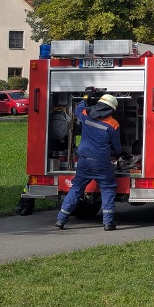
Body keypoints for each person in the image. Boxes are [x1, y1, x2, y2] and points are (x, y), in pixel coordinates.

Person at [55, 91, 122, 231]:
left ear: (99, 104)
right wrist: (118, 154)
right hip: (102, 162)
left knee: (76, 188)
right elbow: (116, 147)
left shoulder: (86, 114)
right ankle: (108, 223)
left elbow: (78, 109)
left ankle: (61, 220)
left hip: (84, 161)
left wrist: (87, 96)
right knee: (107, 189)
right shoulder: (113, 124)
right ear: (111, 109)